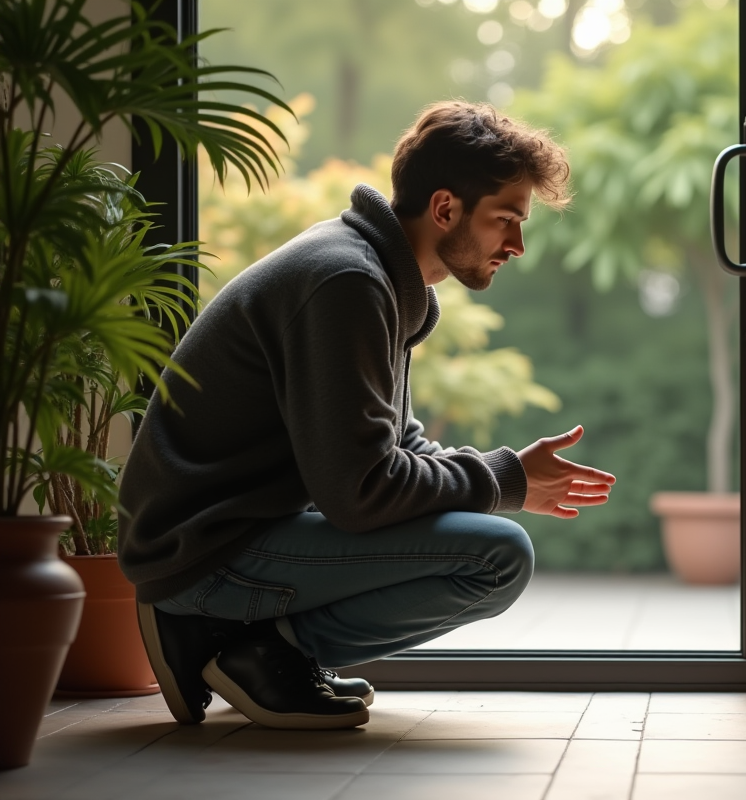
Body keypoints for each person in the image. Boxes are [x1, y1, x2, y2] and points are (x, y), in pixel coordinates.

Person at [118, 100, 616, 731]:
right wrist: (500, 480)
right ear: (444, 209)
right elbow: (360, 492)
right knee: (498, 557)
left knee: (490, 537)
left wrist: (506, 474)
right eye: (506, 220)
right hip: (203, 550)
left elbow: (393, 448)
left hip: (233, 530)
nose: (517, 244)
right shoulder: (347, 282)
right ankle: (242, 645)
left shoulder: (375, 275)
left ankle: (257, 648)